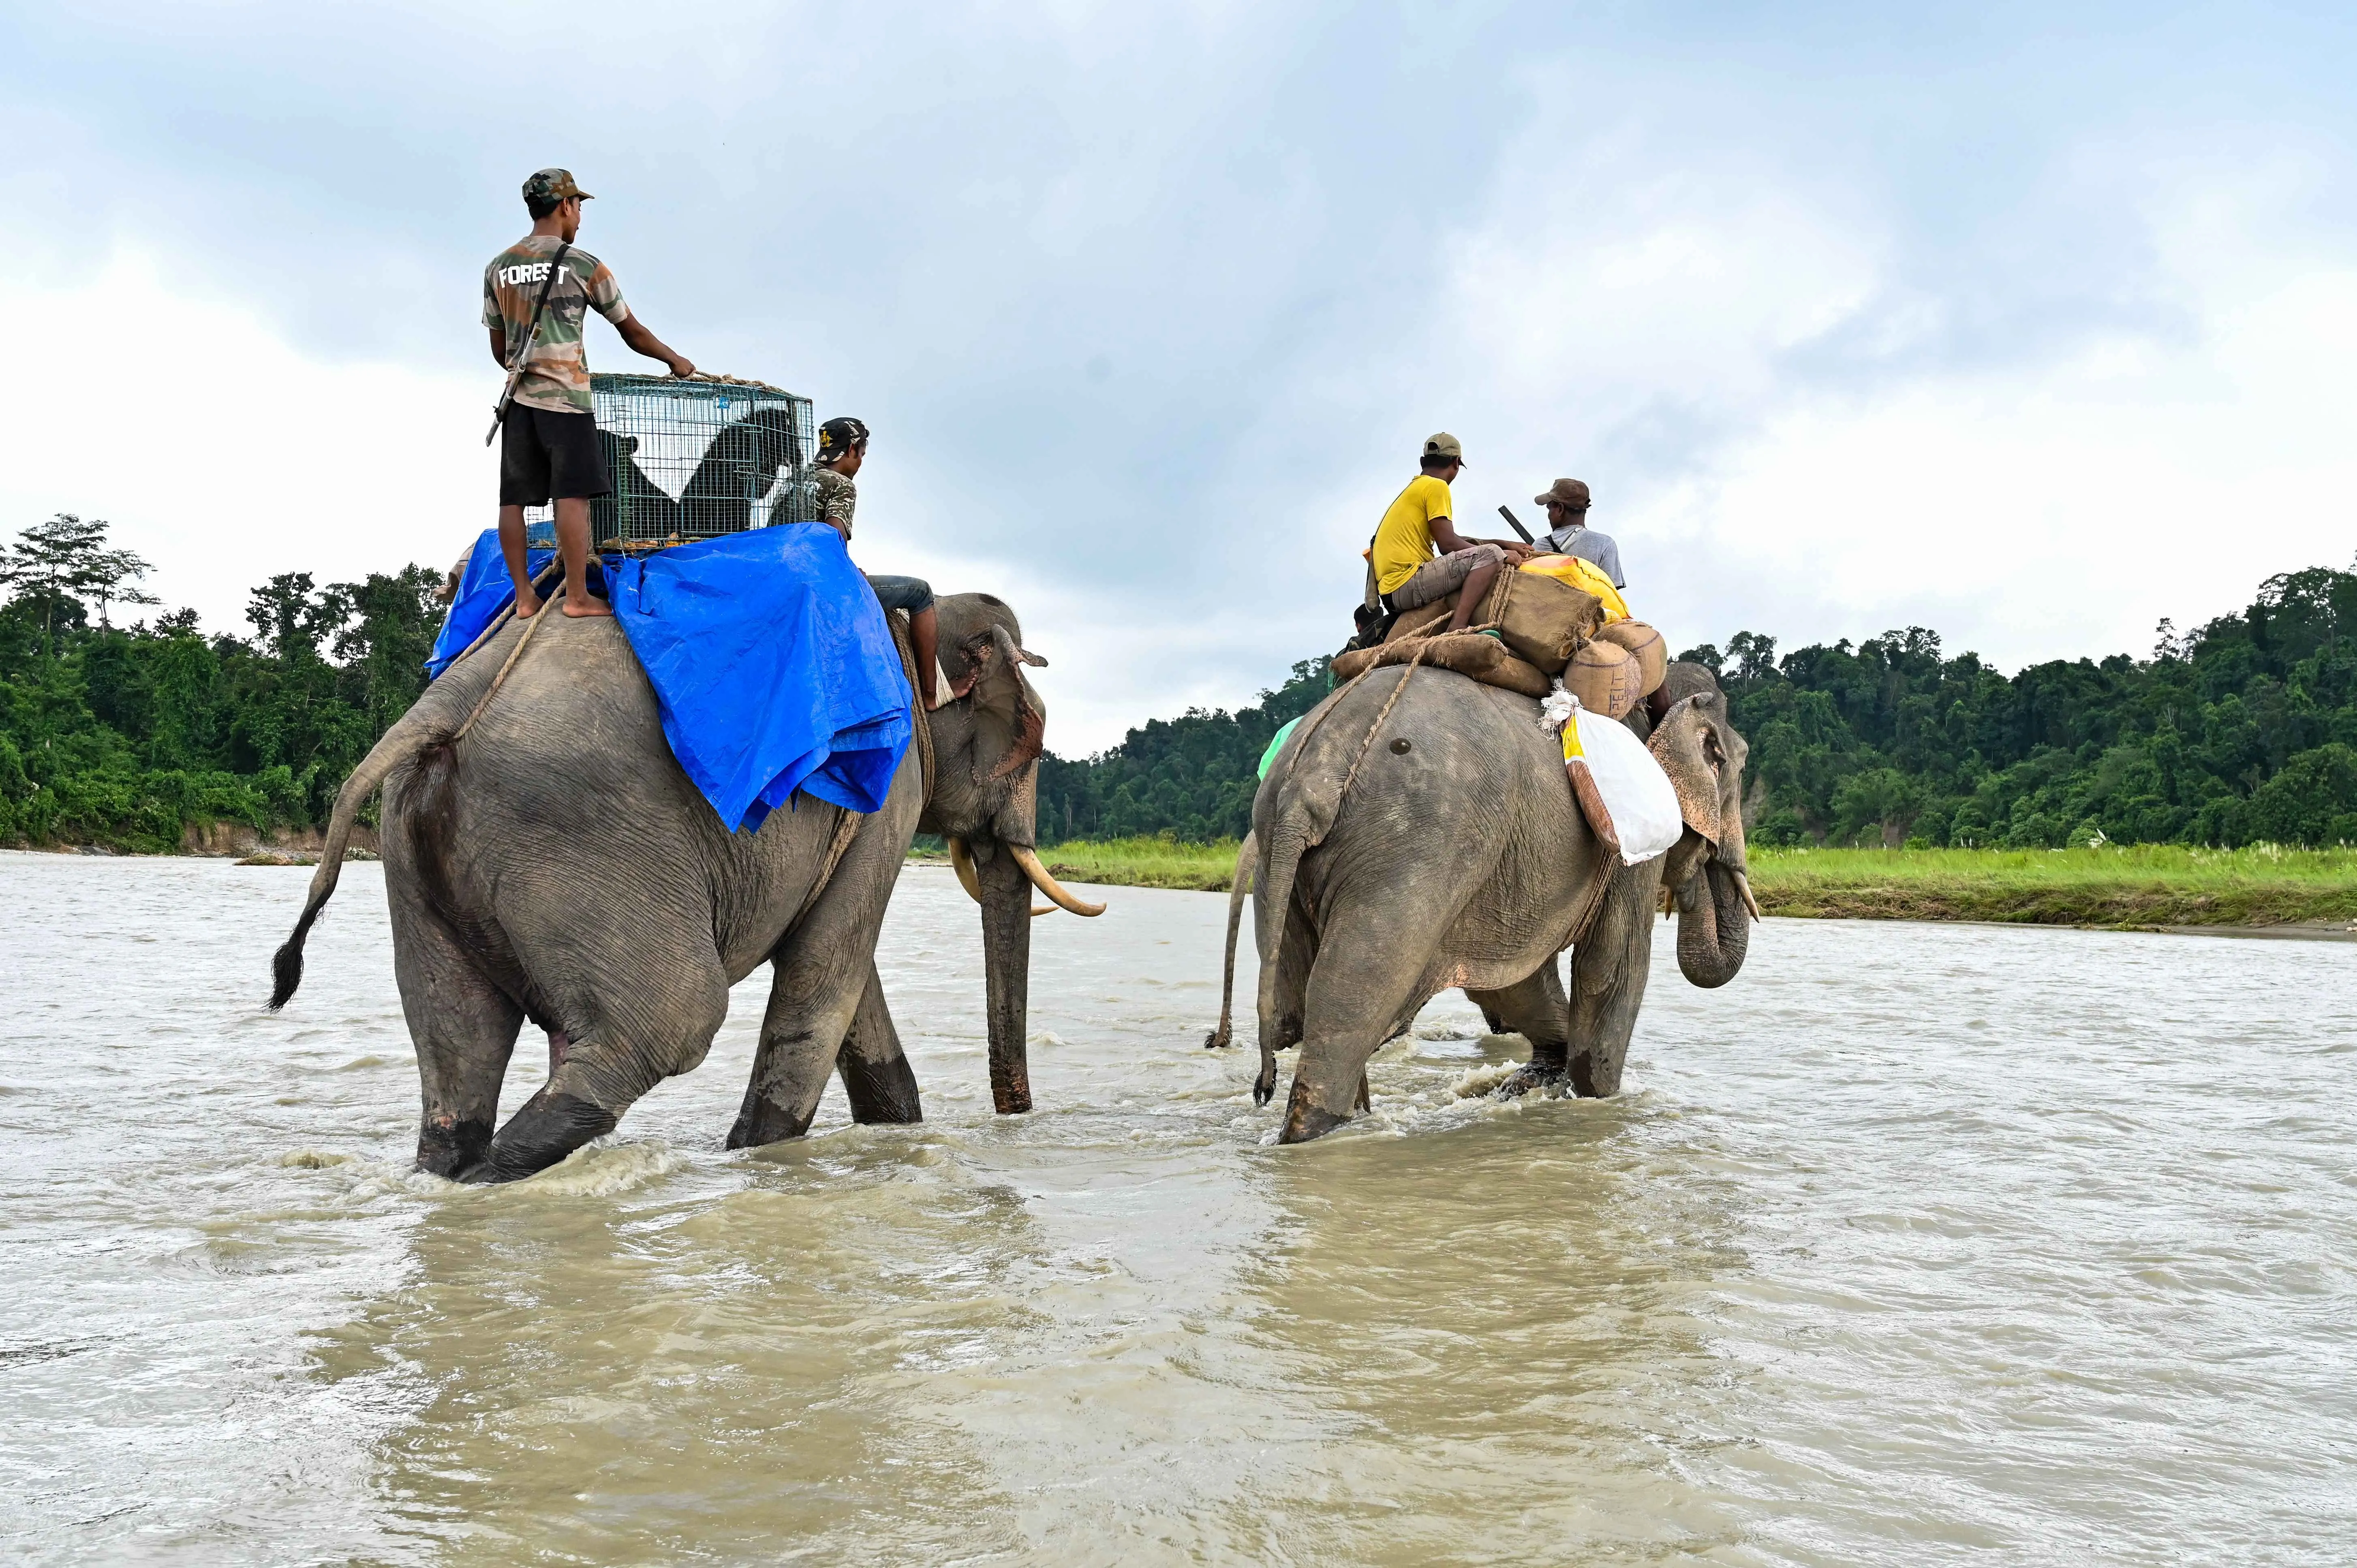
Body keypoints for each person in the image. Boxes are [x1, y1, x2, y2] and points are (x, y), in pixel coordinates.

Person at [483, 168, 695, 619]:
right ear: (564, 206)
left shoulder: (498, 268)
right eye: (578, 206)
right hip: (567, 401)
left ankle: (524, 598)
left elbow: (500, 350)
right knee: (572, 496)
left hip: (518, 401)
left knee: (512, 500)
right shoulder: (583, 264)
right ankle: (578, 598)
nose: (579, 216)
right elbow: (631, 332)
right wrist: (675, 360)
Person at [806, 417, 947, 710]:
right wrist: (846, 569)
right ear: (854, 450)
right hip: (823, 588)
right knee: (921, 593)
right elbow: (830, 541)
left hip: (791, 578)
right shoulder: (842, 485)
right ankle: (931, 698)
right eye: (862, 455)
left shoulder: (800, 478)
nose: (860, 464)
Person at [1369, 433, 1532, 635]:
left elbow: (1451, 539)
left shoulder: (1417, 487)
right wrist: (1502, 553)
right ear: (1456, 463)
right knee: (1492, 555)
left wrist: (1502, 542)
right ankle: (1458, 626)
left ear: (1422, 462)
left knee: (1490, 550)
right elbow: (1448, 546)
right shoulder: (1437, 486)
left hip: (1391, 591)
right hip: (1405, 583)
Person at [1532, 477, 1624, 590]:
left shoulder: (1541, 546)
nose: (1549, 515)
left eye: (1550, 509)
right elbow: (1612, 596)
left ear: (1560, 509)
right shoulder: (1605, 544)